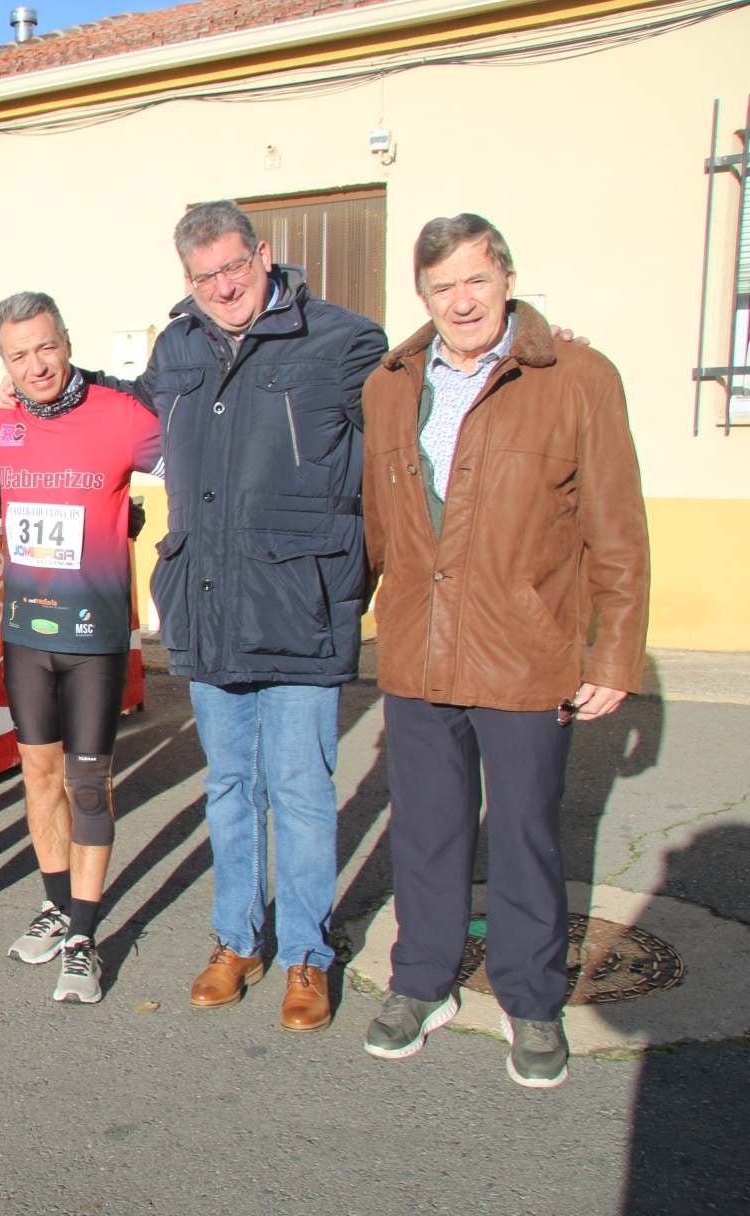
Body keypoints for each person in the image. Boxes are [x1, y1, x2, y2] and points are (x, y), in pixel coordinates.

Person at [79, 200, 388, 1030]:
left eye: (234, 269)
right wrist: (49, 388)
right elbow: (128, 415)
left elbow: (413, 427)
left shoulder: (345, 341)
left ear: (263, 255)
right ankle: (236, 941)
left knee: (301, 790)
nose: (223, 287)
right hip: (210, 607)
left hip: (300, 605)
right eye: (203, 276)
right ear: (186, 280)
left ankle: (306, 958)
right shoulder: (177, 345)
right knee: (230, 788)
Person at [361, 214, 648, 1088]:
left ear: (508, 279)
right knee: (427, 833)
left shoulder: (577, 377)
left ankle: (531, 1000)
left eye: (476, 281)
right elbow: (378, 520)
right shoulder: (390, 385)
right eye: (442, 286)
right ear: (422, 296)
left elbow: (617, 530)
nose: (462, 301)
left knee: (525, 835)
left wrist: (613, 656)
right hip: (418, 647)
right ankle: (422, 983)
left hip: (526, 651)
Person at [0, 292, 161, 1005]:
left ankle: (85, 933)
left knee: (88, 781)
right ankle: (56, 904)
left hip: (94, 635)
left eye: (46, 347)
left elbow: (198, 463)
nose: (36, 365)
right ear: (4, 363)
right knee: (38, 774)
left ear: (67, 341)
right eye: (19, 355)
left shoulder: (120, 415)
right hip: (25, 633)